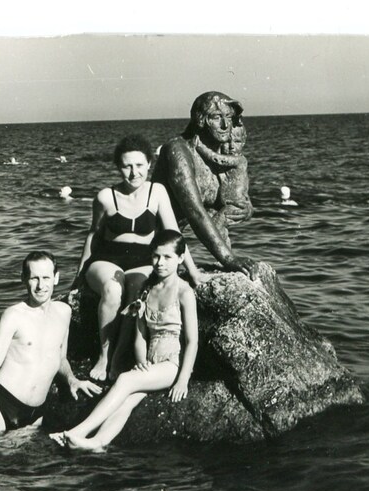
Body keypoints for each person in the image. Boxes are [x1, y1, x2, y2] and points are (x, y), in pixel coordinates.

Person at [73, 134, 205, 382]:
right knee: (112, 289)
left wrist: (194, 272)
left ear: (149, 164)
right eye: (127, 166)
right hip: (107, 259)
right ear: (118, 167)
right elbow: (93, 235)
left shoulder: (157, 192)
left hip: (143, 260)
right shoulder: (104, 197)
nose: (134, 173)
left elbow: (173, 235)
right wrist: (80, 274)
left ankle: (119, 357)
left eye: (140, 165)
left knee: (136, 291)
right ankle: (104, 355)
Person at [50, 230, 198, 452]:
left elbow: (192, 340)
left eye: (167, 257)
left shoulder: (184, 292)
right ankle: (97, 442)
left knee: (126, 381)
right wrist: (141, 361)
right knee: (128, 400)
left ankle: (78, 431)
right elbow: (139, 334)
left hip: (172, 364)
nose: (160, 263)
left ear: (180, 257)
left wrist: (183, 379)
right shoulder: (148, 289)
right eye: (156, 256)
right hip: (152, 363)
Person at [0, 250, 101, 434]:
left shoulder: (64, 312)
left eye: (46, 277)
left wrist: (72, 380)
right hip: (4, 405)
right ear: (23, 279)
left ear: (56, 278)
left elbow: (59, 358)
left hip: (36, 414)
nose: (40, 285)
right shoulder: (13, 316)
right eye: (34, 278)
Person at [152, 91, 257, 278]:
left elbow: (219, 206)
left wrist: (245, 209)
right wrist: (229, 259)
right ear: (200, 120)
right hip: (149, 246)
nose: (225, 125)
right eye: (216, 117)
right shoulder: (178, 150)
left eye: (229, 117)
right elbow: (195, 211)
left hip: (171, 249)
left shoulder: (220, 154)